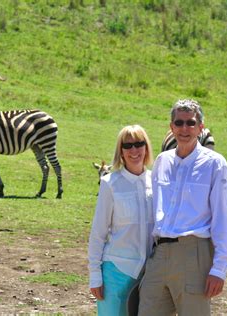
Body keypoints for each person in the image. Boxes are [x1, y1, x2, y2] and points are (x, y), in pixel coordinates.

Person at [138, 99, 227, 316]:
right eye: (179, 123)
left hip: (194, 254)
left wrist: (220, 269)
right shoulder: (162, 162)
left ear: (201, 127)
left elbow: (225, 217)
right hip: (160, 252)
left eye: (191, 123)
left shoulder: (215, 164)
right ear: (171, 127)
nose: (185, 128)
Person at [88, 125, 155, 315]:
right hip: (116, 272)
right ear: (121, 151)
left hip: (149, 275)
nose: (134, 150)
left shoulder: (157, 182)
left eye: (139, 144)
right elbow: (98, 233)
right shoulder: (110, 183)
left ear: (146, 148)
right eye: (128, 145)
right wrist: (95, 275)